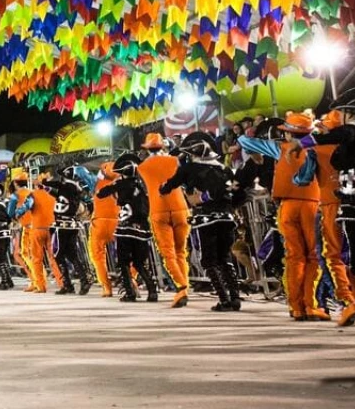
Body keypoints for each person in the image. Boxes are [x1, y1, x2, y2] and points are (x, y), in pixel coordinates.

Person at [238, 112, 328, 321]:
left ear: (287, 134)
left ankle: (296, 307)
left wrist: (254, 135)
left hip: (286, 207)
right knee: (313, 256)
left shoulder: (279, 148)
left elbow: (243, 140)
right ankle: (310, 305)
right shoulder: (317, 149)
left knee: (293, 257)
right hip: (313, 207)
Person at [291, 89, 355, 327]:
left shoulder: (330, 142)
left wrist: (302, 145)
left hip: (335, 204)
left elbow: (302, 179)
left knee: (333, 255)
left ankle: (347, 301)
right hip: (349, 201)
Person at [160, 133, 246, 312]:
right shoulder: (224, 168)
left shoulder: (189, 168)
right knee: (225, 258)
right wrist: (228, 206)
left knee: (209, 259)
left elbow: (169, 185)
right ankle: (235, 297)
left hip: (207, 219)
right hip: (226, 218)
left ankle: (223, 299)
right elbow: (237, 192)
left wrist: (201, 198)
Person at [137, 133, 191, 308]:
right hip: (180, 207)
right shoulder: (175, 161)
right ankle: (185, 288)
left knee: (168, 253)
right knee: (181, 251)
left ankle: (181, 286)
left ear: (146, 148)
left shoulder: (142, 167)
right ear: (163, 146)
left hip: (158, 209)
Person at [97, 154, 158, 303]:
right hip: (143, 229)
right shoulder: (141, 186)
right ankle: (152, 291)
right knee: (139, 262)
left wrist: (116, 184)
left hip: (126, 228)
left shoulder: (122, 184)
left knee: (123, 262)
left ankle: (129, 293)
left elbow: (100, 194)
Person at [42, 167, 93, 295]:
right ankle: (84, 280)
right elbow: (57, 193)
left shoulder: (65, 186)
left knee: (58, 255)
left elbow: (52, 185)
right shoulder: (76, 189)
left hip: (62, 225)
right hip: (72, 225)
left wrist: (44, 182)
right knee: (72, 254)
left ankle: (68, 284)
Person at [89, 160, 121, 297]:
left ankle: (106, 287)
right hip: (118, 222)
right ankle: (130, 280)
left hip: (99, 223)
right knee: (128, 256)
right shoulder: (121, 184)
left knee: (98, 257)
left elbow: (79, 172)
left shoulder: (96, 184)